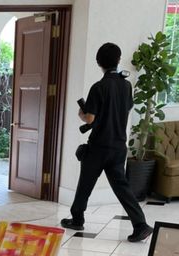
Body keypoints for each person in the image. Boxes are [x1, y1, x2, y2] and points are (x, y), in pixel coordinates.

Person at [61, 43, 153, 243]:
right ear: (118, 60)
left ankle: (77, 219)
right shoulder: (126, 86)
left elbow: (90, 118)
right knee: (122, 187)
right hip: (119, 146)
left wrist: (82, 113)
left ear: (98, 62)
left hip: (99, 147)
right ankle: (140, 225)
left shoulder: (98, 87)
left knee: (85, 184)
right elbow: (125, 109)